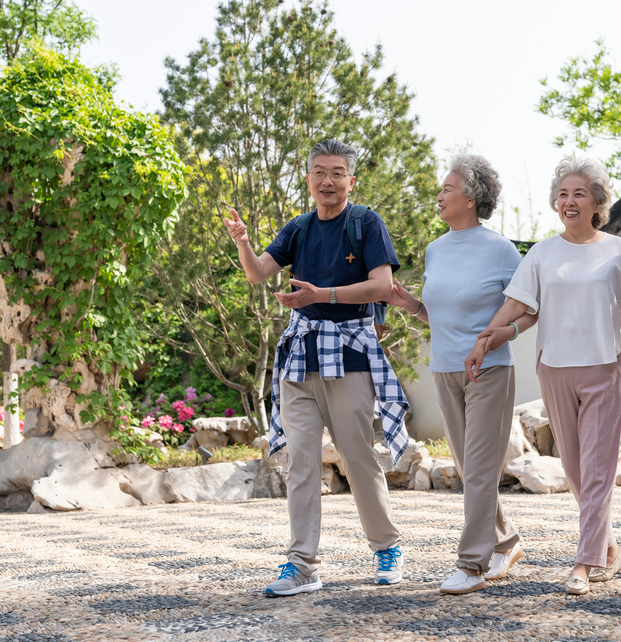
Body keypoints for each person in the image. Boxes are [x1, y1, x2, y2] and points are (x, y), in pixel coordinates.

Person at [223, 139, 410, 596]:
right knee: (301, 464)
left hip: (348, 356)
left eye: (337, 172)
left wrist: (319, 296)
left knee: (358, 457)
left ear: (351, 179)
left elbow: (383, 286)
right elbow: (257, 273)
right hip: (300, 357)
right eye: (319, 172)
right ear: (308, 179)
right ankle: (302, 564)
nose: (328, 181)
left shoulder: (365, 223)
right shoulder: (299, 227)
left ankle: (387, 547)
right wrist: (244, 244)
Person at [467, 157, 621, 595]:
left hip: (602, 367)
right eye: (563, 194)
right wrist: (486, 338)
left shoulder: (617, 251)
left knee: (599, 469)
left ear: (598, 201)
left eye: (579, 193)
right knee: (576, 469)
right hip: (554, 369)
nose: (569, 201)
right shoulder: (543, 253)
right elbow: (516, 304)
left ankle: (584, 562)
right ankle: (611, 550)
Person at [387, 155, 533, 594]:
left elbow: (527, 308)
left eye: (447, 189)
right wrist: (408, 303)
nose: (439, 195)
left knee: (483, 469)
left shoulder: (501, 250)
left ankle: (472, 564)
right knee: (472, 470)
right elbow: (437, 314)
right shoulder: (435, 248)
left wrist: (497, 337)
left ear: (470, 198)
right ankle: (507, 542)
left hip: (489, 370)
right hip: (444, 370)